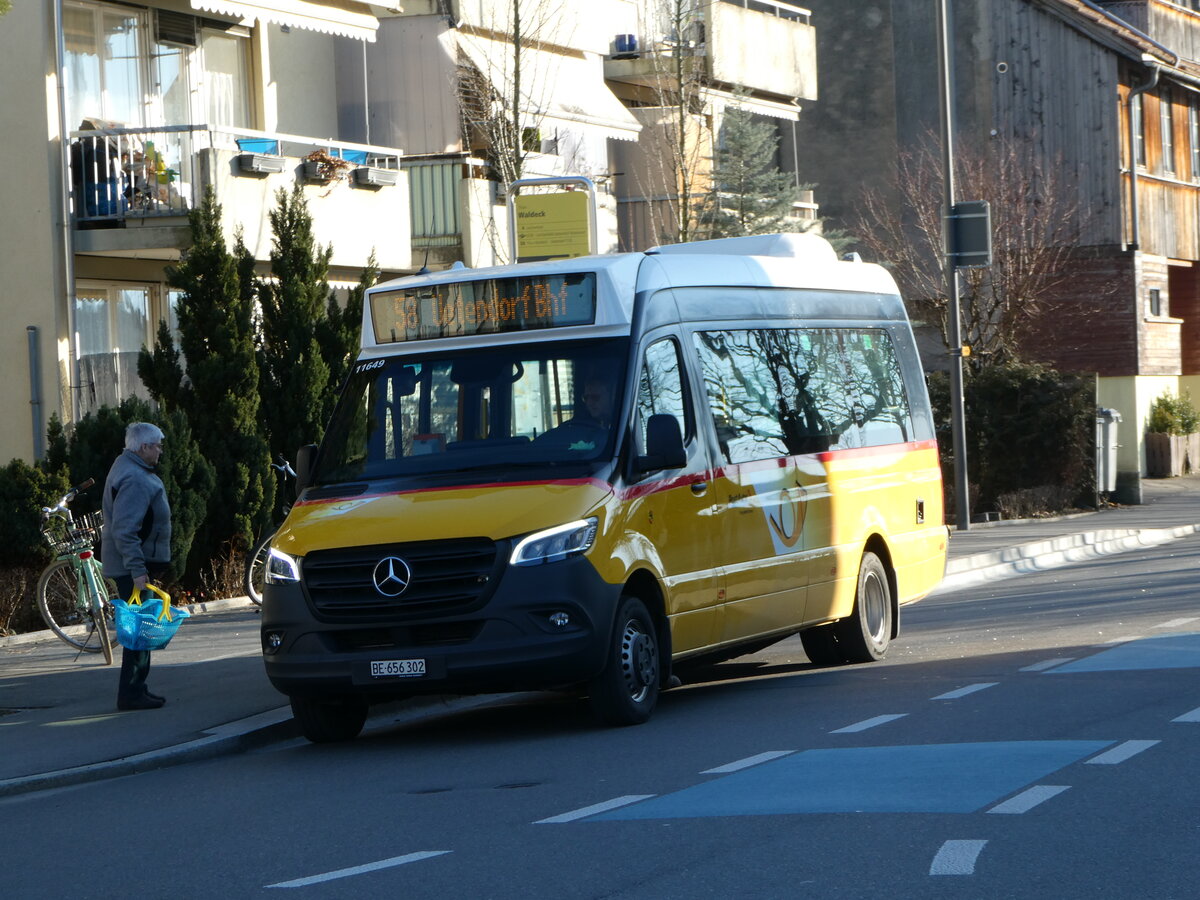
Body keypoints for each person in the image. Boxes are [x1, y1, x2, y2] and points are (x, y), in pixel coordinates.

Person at [101, 422, 172, 711]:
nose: (160, 450)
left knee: (141, 626)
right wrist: (138, 569)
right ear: (143, 447)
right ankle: (131, 693)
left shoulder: (127, 467)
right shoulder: (135, 478)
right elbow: (125, 530)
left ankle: (137, 688)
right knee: (140, 628)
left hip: (133, 564)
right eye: (157, 445)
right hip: (134, 568)